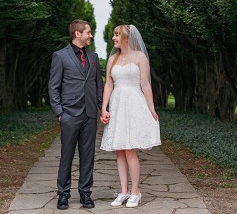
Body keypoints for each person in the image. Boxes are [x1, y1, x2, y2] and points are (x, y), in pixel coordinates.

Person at [100, 24, 161, 208]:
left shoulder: (140, 57)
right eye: (113, 35)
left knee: (130, 150)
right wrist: (104, 108)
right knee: (119, 149)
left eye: (117, 35)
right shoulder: (112, 59)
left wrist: (151, 108)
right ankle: (123, 192)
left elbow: (146, 84)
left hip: (134, 103)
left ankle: (135, 192)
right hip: (117, 105)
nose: (114, 38)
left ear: (126, 37)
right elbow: (108, 85)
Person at [48, 19, 103, 210]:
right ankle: (63, 194)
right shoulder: (60, 56)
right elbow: (53, 87)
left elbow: (98, 86)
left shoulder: (94, 57)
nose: (91, 35)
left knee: (88, 156)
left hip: (90, 114)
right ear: (77, 34)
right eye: (88, 32)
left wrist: (101, 108)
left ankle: (85, 193)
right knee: (67, 156)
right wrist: (59, 113)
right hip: (69, 114)